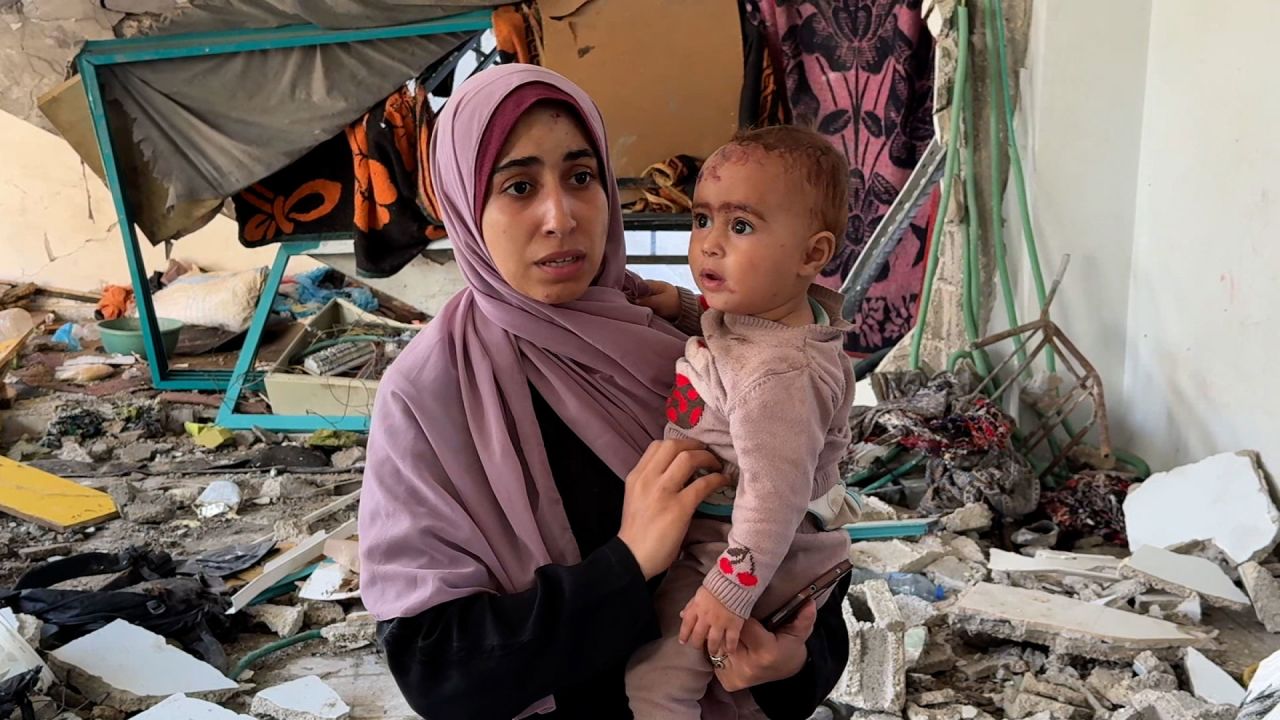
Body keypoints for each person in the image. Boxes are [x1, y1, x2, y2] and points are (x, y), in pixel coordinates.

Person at [358, 64, 851, 720]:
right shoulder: (429, 396)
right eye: (519, 186)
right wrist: (627, 563)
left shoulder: (692, 339)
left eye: (581, 177)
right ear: (464, 205)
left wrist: (791, 663)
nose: (560, 217)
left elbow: (808, 544)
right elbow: (436, 671)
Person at [624, 127, 858, 719]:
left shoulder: (778, 380)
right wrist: (677, 306)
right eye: (702, 220)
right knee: (726, 691)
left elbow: (774, 495)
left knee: (656, 685)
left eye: (741, 226)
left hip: (744, 547)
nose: (709, 245)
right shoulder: (767, 316)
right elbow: (724, 334)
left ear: (811, 254)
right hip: (743, 539)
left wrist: (727, 590)